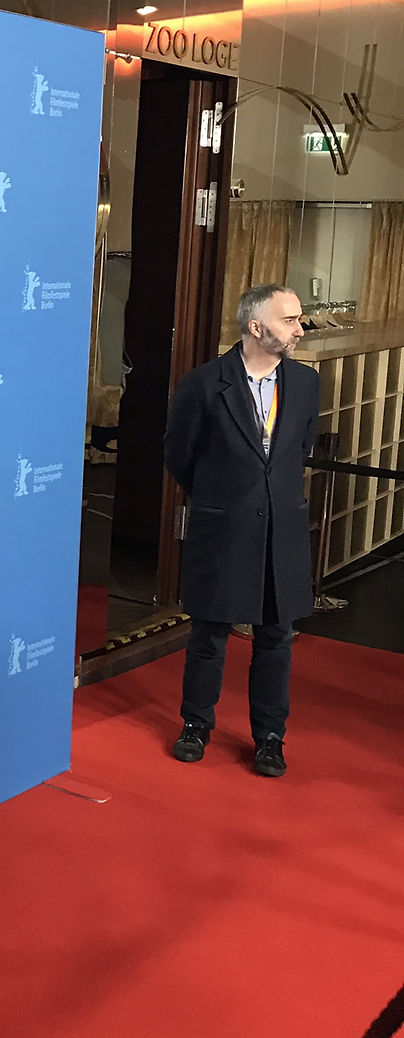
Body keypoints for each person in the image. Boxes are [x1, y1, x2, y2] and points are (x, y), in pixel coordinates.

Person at [164, 283, 319, 778]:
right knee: (209, 634)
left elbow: (300, 450)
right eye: (289, 320)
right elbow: (180, 454)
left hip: (282, 530)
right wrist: (221, 497)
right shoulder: (203, 384)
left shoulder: (306, 383)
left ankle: (270, 736)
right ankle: (196, 725)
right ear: (256, 327)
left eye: (298, 319)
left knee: (276, 637)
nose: (299, 329)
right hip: (223, 526)